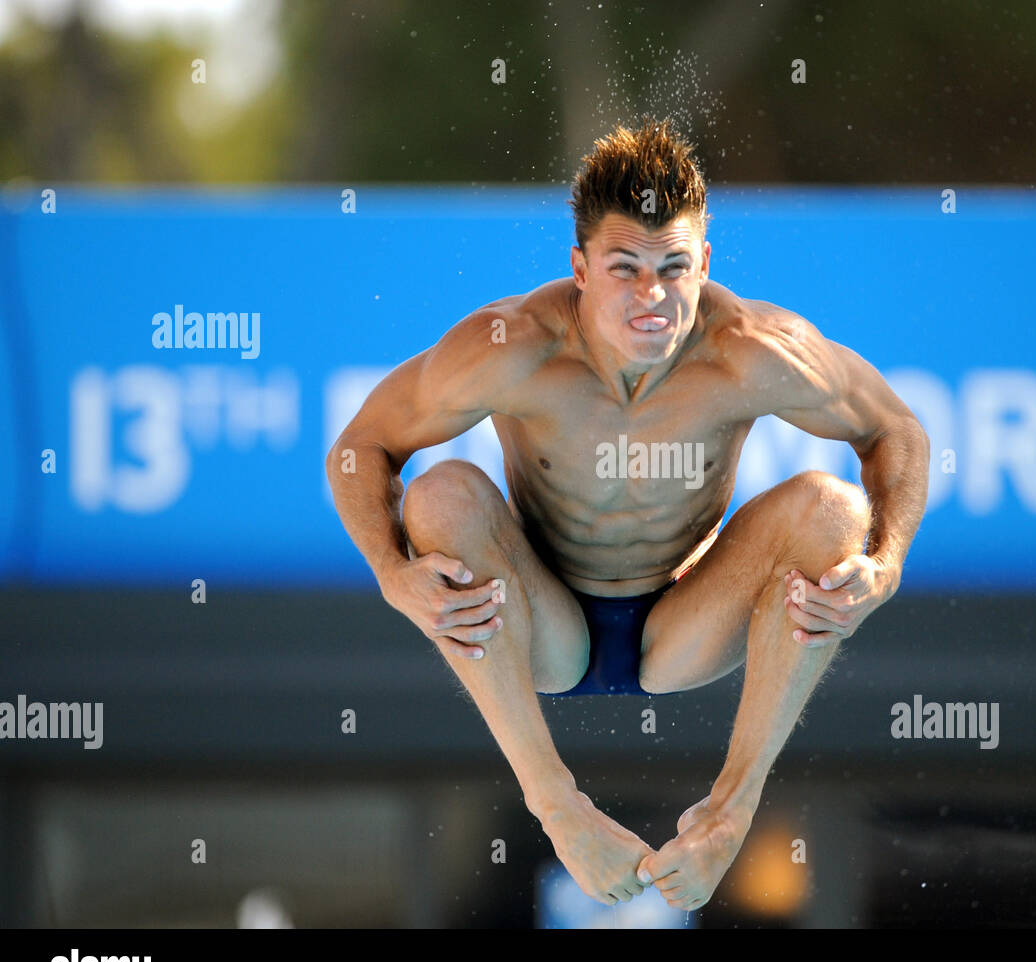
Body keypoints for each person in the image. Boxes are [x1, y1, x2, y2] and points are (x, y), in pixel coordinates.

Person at [327, 119, 929, 912]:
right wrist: (392, 575)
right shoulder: (513, 348)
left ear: (704, 262)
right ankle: (559, 806)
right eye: (626, 269)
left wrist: (884, 565)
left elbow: (897, 431)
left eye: (674, 268)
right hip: (540, 623)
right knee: (441, 495)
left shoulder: (753, 350)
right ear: (580, 268)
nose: (653, 296)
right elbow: (360, 447)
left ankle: (730, 810)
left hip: (681, 625)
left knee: (833, 511)